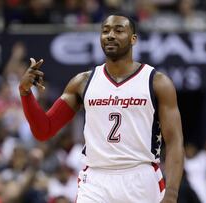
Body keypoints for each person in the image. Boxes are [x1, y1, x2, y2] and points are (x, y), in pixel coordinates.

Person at [18, 14, 184, 203]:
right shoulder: (82, 82)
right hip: (96, 179)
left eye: (119, 30)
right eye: (105, 31)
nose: (110, 35)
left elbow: (175, 142)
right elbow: (44, 130)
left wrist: (171, 194)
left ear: (133, 39)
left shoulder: (156, 82)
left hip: (140, 176)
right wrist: (25, 93)